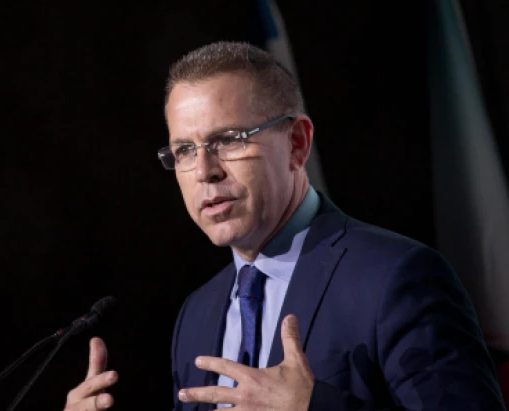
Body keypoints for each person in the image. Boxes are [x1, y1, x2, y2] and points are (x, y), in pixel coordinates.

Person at [62, 41, 506, 410]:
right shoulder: (196, 314)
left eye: (227, 141)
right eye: (184, 150)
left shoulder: (398, 278)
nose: (204, 171)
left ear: (297, 143)